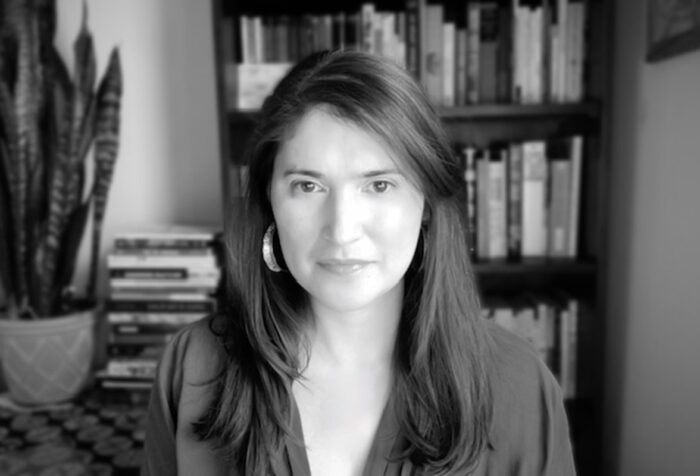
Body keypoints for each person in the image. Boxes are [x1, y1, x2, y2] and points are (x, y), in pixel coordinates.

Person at [142, 50, 576, 476]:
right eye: (308, 186)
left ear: (424, 203)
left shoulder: (519, 385)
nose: (342, 229)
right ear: (269, 200)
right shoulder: (193, 367)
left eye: (380, 185)